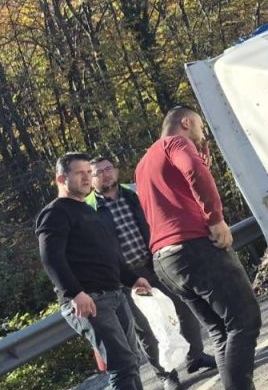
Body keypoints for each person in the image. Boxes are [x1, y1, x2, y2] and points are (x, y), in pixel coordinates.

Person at [136, 107, 261, 390]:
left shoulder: (144, 163)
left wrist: (201, 160)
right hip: (195, 248)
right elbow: (192, 170)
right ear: (186, 122)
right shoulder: (176, 143)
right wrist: (215, 218)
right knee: (244, 320)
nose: (202, 134)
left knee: (220, 331)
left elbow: (174, 191)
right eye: (200, 128)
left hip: (165, 260)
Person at [90, 156, 217, 390]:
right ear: (91, 179)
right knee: (146, 329)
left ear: (116, 171)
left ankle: (195, 357)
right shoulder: (91, 209)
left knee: (185, 308)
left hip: (155, 264)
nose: (105, 174)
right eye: (98, 172)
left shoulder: (134, 193)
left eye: (108, 168)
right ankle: (166, 374)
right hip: (125, 277)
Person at [36, 153, 153, 390]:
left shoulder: (89, 210)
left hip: (115, 295)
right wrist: (75, 293)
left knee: (131, 362)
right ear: (61, 178)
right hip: (89, 300)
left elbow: (109, 254)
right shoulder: (55, 212)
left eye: (88, 173)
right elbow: (51, 257)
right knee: (121, 366)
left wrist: (132, 279)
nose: (87, 178)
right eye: (80, 173)